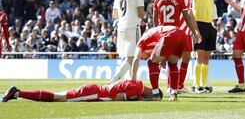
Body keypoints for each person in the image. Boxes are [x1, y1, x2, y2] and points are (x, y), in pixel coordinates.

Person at [152, 0, 202, 93]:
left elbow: (155, 19)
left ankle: (174, 86)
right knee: (172, 61)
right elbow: (188, 17)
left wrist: (157, 32)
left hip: (168, 32)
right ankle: (172, 87)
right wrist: (196, 32)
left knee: (181, 59)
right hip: (177, 32)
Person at [131, 25, 187, 101]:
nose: (143, 59)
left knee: (151, 62)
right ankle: (174, 93)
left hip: (171, 34)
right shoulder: (150, 42)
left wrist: (133, 79)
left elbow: (136, 58)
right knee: (172, 63)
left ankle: (156, 94)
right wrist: (164, 58)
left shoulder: (140, 43)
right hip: (182, 34)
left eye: (142, 58)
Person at [108, 0, 145, 84]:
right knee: (133, 57)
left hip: (121, 27)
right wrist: (145, 13)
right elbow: (140, 13)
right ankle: (114, 80)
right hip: (133, 27)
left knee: (126, 57)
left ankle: (128, 82)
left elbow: (115, 14)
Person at [192, 0, 218, 93]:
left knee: (206, 59)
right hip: (199, 26)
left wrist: (214, 27)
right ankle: (197, 86)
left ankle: (203, 85)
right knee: (199, 57)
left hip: (209, 27)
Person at [2, 79, 159, 102]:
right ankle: (17, 92)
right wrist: (138, 99)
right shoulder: (137, 90)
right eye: (150, 96)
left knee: (59, 96)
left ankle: (17, 93)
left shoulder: (137, 83)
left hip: (94, 90)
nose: (148, 98)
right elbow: (118, 97)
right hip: (95, 93)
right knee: (58, 98)